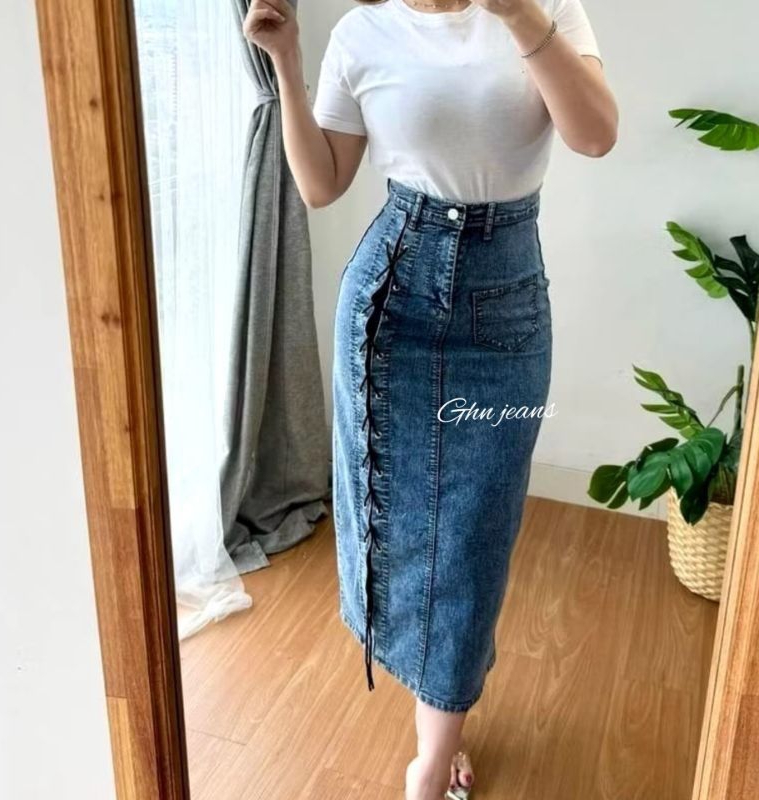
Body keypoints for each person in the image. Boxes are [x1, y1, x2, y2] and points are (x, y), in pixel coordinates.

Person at [242, 1, 618, 798]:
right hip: (393, 299)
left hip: (503, 305)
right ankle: (435, 742)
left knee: (474, 533)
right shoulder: (363, 32)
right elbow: (321, 184)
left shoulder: (545, 9)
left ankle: (435, 740)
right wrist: (286, 59)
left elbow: (595, 135)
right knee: (391, 509)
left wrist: (518, 15)